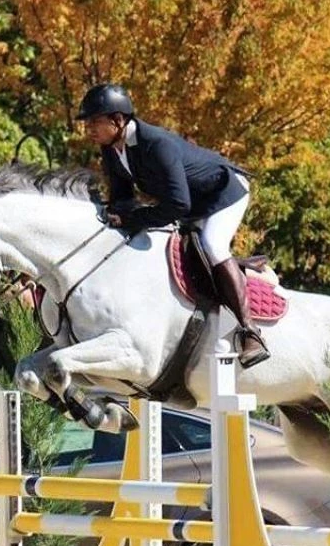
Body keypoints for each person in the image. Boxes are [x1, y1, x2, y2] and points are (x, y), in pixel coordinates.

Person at [75, 83, 269, 368]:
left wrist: (133, 218)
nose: (88, 128)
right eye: (87, 122)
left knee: (212, 245)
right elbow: (123, 200)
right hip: (191, 202)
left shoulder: (157, 144)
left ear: (117, 120)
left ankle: (250, 331)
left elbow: (179, 205)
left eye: (94, 121)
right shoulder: (111, 150)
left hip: (224, 193)